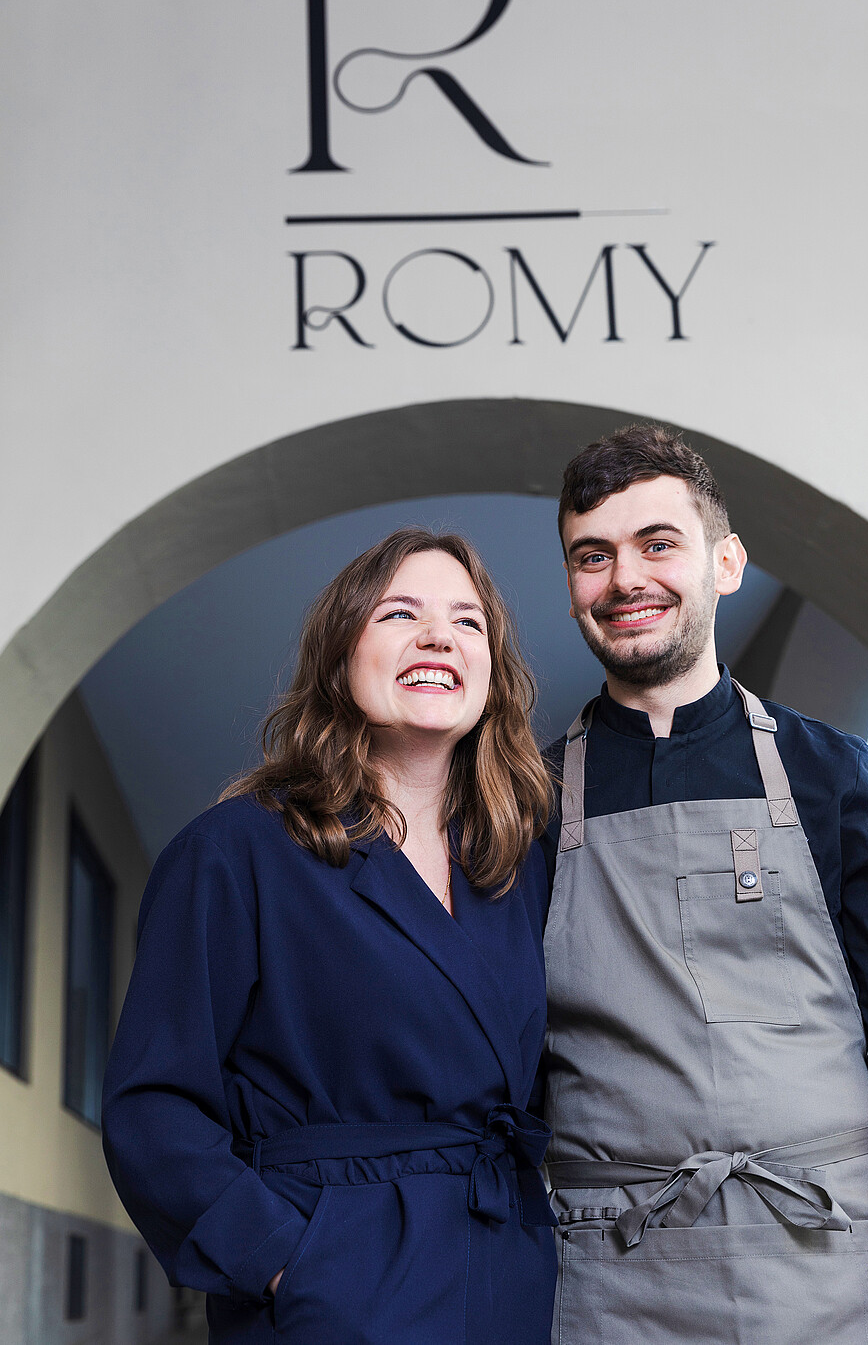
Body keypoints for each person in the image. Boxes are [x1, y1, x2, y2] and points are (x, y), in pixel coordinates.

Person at [102, 527, 558, 1345]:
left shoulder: (518, 867)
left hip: (503, 1284)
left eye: (467, 621)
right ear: (341, 651)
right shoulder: (235, 851)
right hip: (330, 1295)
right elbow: (154, 1109)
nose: (438, 636)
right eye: (400, 613)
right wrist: (290, 1262)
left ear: (492, 669)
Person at [540, 424, 868, 1344]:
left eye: (657, 543)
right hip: (610, 1287)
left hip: (833, 1276)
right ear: (572, 586)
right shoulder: (527, 798)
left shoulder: (831, 771)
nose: (624, 579)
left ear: (727, 562)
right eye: (593, 555)